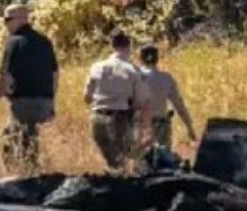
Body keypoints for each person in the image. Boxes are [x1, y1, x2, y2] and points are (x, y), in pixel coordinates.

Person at [0, 3, 59, 172]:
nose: (6, 23)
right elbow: (55, 73)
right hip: (44, 102)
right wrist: (51, 101)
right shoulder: (45, 41)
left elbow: (5, 77)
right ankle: (29, 173)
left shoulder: (14, 42)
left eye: (8, 19)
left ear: (21, 19)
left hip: (23, 103)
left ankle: (21, 178)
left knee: (11, 143)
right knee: (27, 139)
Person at [83, 29, 152, 171]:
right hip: (119, 118)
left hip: (97, 117)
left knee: (112, 159)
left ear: (112, 46)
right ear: (129, 47)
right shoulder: (133, 71)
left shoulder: (97, 67)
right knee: (123, 160)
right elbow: (141, 102)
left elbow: (87, 97)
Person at [138, 44, 197, 149]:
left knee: (139, 159)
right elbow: (179, 105)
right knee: (164, 159)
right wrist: (189, 127)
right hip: (161, 126)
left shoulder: (134, 78)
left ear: (140, 59)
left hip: (139, 125)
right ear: (157, 59)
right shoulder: (166, 79)